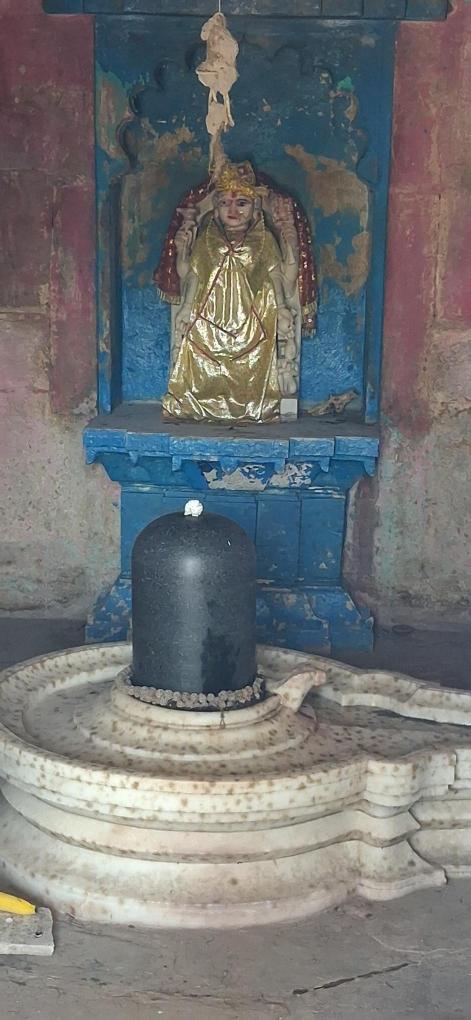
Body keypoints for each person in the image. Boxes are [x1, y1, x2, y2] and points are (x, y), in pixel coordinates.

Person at [162, 161, 292, 423]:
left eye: (242, 203)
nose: (233, 210)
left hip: (251, 315)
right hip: (210, 312)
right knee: (198, 348)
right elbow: (194, 275)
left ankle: (254, 404)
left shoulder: (264, 240)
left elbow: (275, 276)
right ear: (216, 208)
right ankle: (196, 402)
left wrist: (280, 308)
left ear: (255, 208)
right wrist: (186, 308)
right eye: (225, 204)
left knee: (253, 355)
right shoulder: (207, 240)